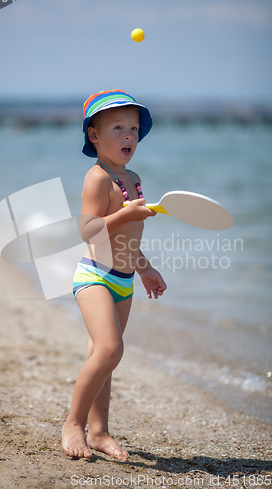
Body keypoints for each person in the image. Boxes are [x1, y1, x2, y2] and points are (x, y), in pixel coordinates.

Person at [62, 90, 167, 460]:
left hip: (124, 279)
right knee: (110, 349)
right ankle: (73, 423)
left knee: (102, 356)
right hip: (94, 276)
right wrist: (126, 214)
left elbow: (127, 237)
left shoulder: (134, 178)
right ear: (94, 135)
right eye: (118, 127)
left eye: (134, 129)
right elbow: (89, 230)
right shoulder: (97, 178)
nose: (129, 136)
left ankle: (99, 431)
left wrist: (145, 268)